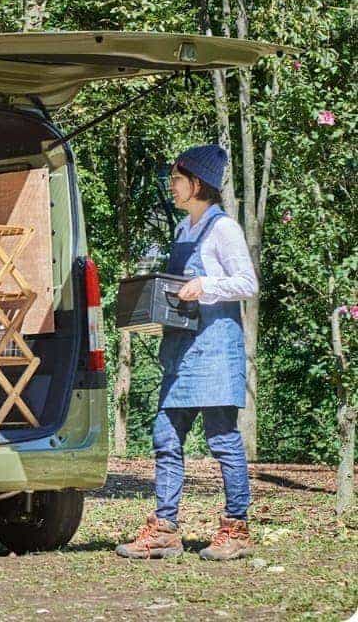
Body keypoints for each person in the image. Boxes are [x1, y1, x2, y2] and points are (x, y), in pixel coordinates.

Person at [116, 145, 258, 562]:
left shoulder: (223, 229)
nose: (171, 185)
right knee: (165, 435)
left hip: (215, 351)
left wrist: (206, 285)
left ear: (197, 183)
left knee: (223, 440)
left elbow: (247, 283)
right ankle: (164, 530)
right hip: (180, 351)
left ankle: (236, 530)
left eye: (177, 179)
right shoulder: (183, 229)